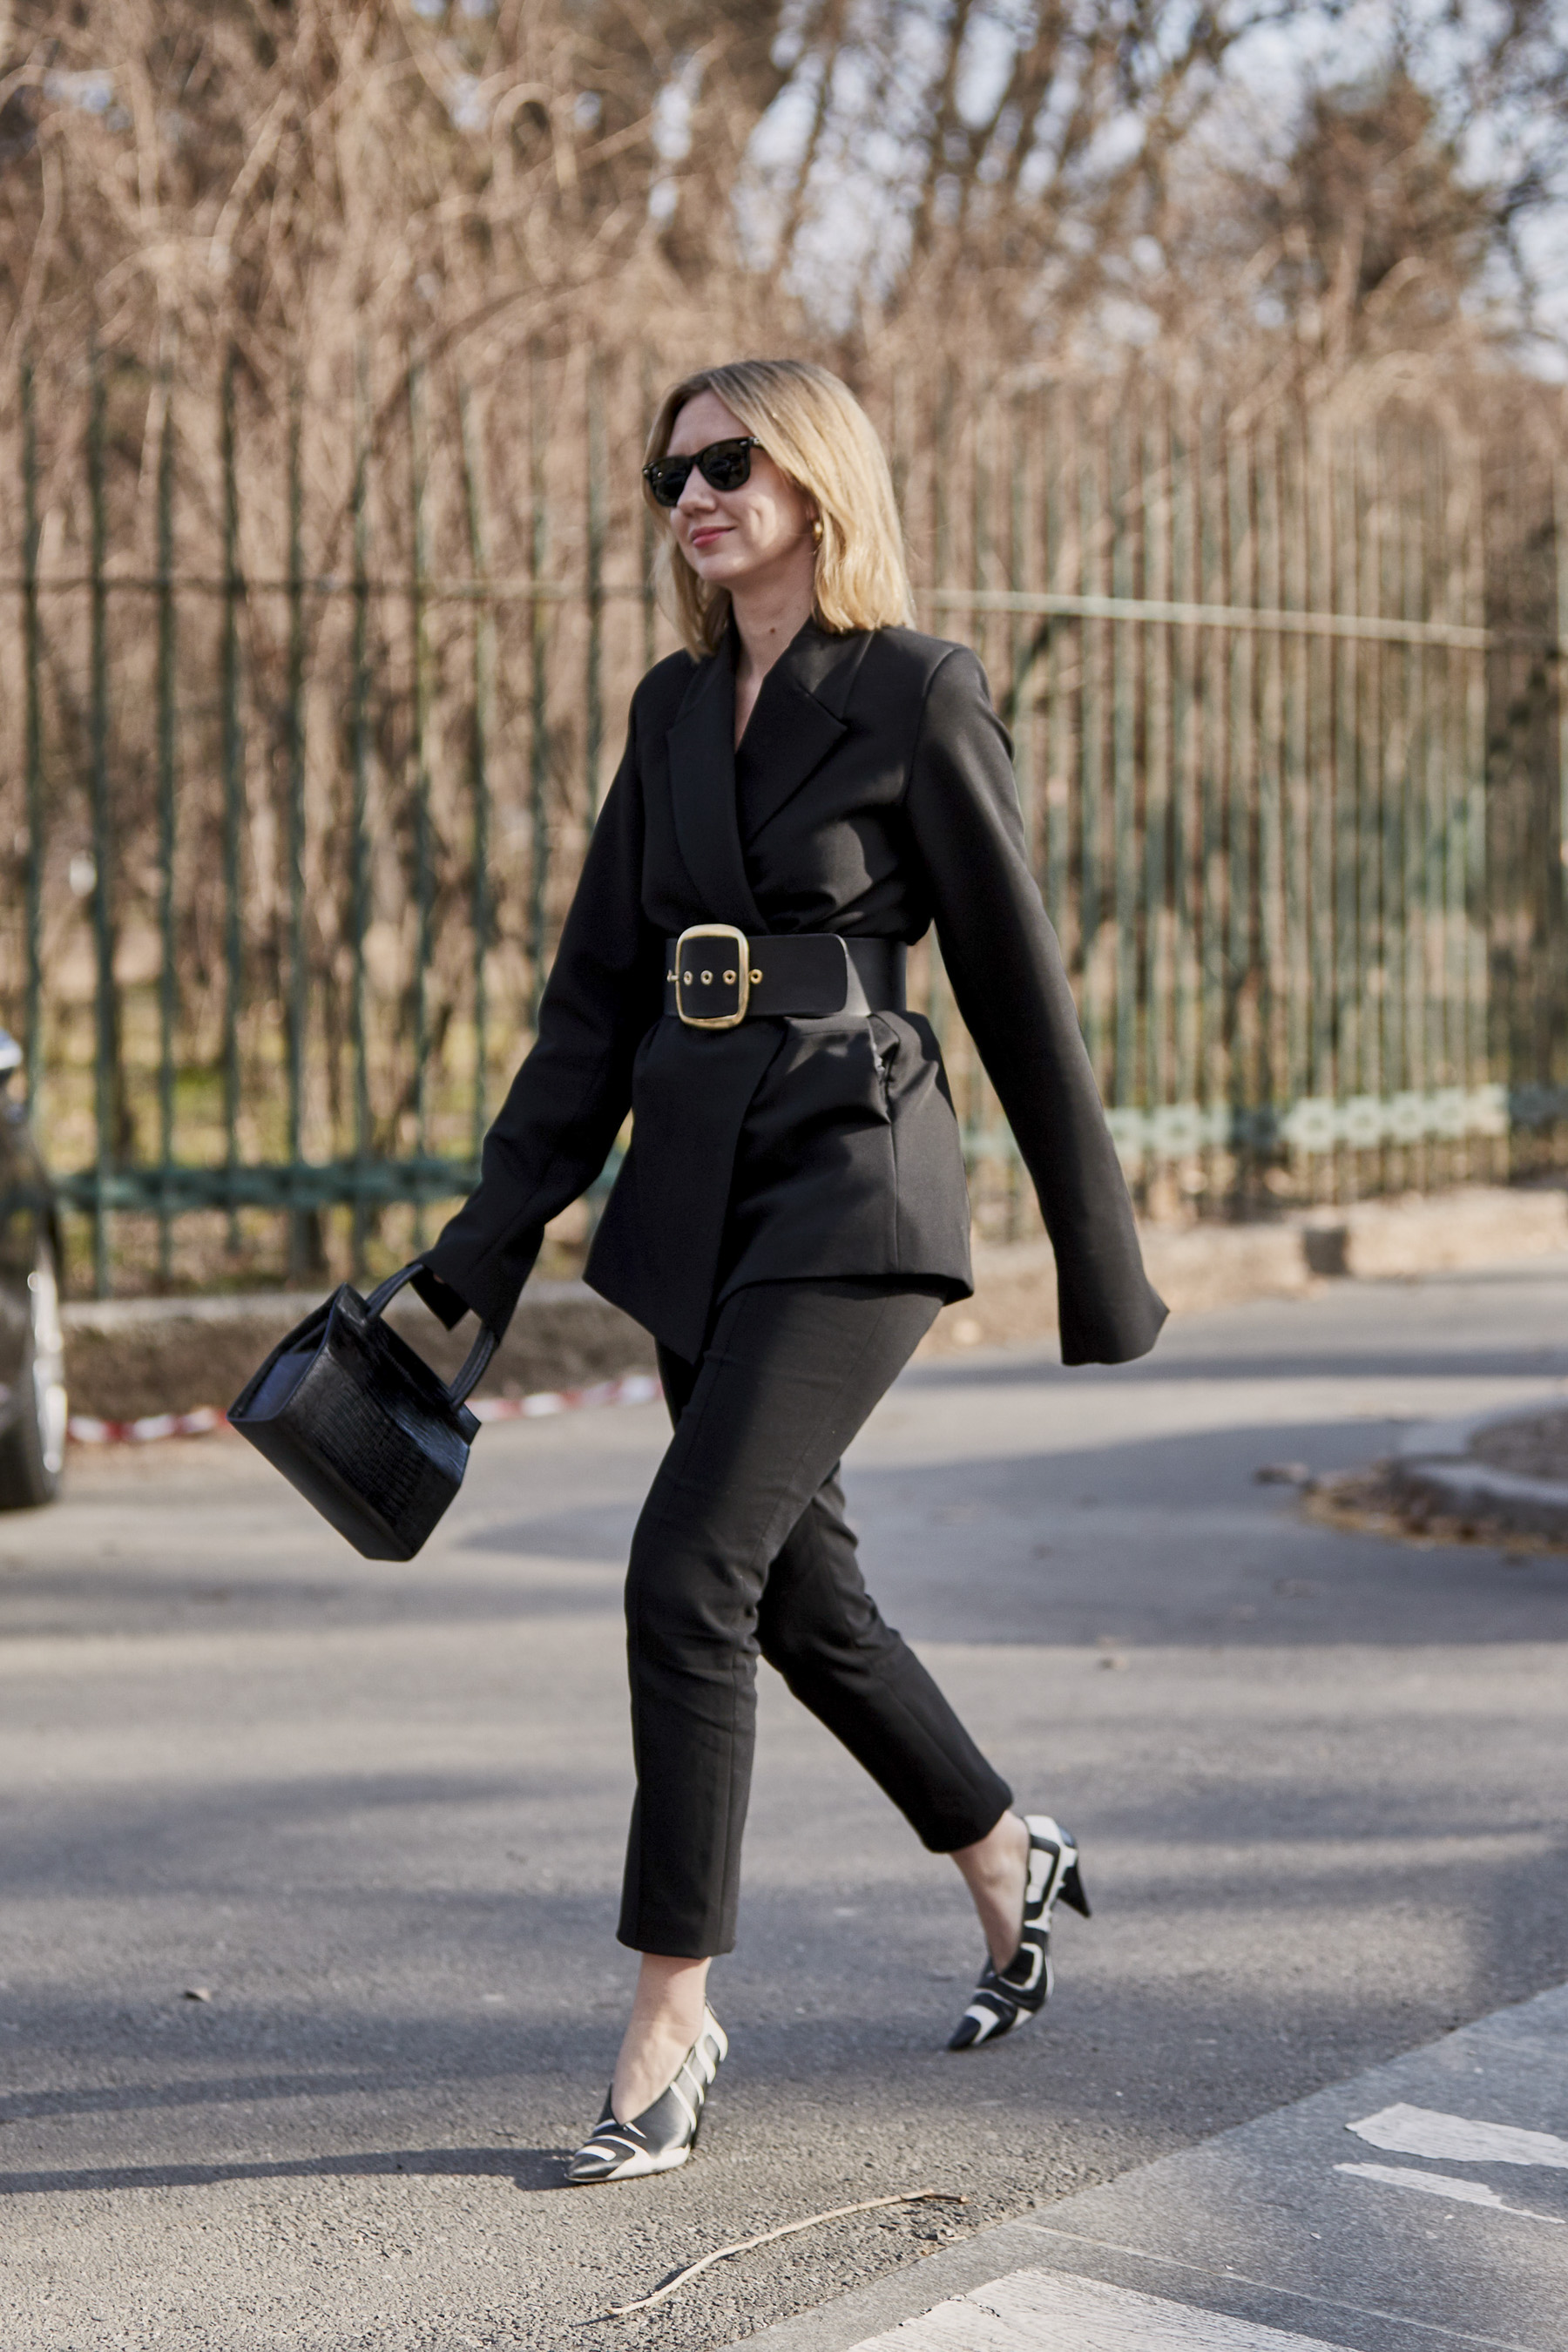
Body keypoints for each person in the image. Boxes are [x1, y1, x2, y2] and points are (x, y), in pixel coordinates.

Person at [413, 360, 1166, 2185]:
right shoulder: (672, 709)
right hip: (701, 1198)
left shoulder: (919, 691)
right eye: (670, 471)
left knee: (688, 1568)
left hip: (854, 1180)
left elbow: (1016, 986)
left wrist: (1098, 1260)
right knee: (803, 1600)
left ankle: (672, 2016)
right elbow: (592, 1003)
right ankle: (1007, 1854)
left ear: (816, 478)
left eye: (727, 461)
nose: (692, 493)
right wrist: (477, 1255)